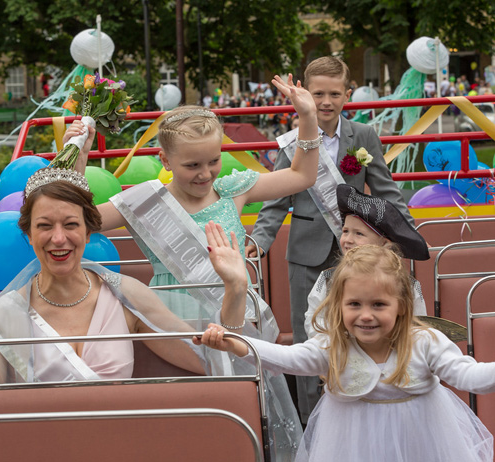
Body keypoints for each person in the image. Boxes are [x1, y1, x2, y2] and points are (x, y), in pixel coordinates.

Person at [63, 73, 319, 460]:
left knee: (244, 414)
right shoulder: (141, 203)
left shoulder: (234, 189)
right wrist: (78, 160)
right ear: (164, 159)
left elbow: (302, 174)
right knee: (187, 418)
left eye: (213, 161)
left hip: (235, 315)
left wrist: (308, 117)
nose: (205, 173)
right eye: (192, 164)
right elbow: (79, 219)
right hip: (171, 319)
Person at [0, 168, 249, 386]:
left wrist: (235, 288)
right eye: (44, 226)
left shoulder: (125, 295)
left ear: (88, 232)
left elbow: (214, 359)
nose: (58, 238)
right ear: (29, 234)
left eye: (71, 225)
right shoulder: (2, 314)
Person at [195, 245, 495, 462]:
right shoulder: (333, 344)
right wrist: (234, 343)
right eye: (354, 304)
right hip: (352, 445)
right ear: (339, 304)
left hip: (423, 442)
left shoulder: (425, 341)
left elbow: (470, 376)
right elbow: (288, 358)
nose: (366, 315)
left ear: (402, 305)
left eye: (378, 304)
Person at [246, 56, 414, 424]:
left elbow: (385, 189)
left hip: (358, 254)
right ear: (305, 93)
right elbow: (277, 201)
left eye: (334, 93)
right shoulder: (293, 141)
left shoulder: (363, 136)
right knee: (311, 338)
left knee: (361, 331)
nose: (325, 101)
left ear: (347, 94)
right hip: (305, 253)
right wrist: (258, 241)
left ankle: (360, 408)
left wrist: (406, 231)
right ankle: (311, 422)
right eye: (318, 93)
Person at [303, 184, 430, 340]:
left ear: (385, 244)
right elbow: (314, 320)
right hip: (341, 355)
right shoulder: (328, 279)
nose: (348, 240)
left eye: (359, 234)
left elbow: (417, 325)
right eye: (345, 231)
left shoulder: (406, 284)